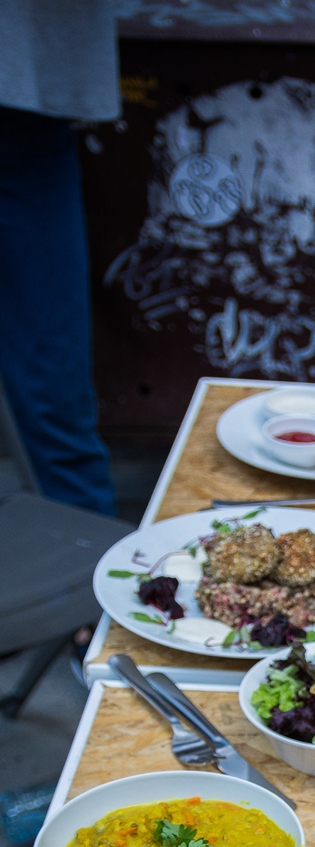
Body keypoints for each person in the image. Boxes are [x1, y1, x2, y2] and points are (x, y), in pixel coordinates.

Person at [0, 1, 118, 514]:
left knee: (57, 407)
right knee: (56, 411)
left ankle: (90, 555)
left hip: (24, 91)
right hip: (26, 77)